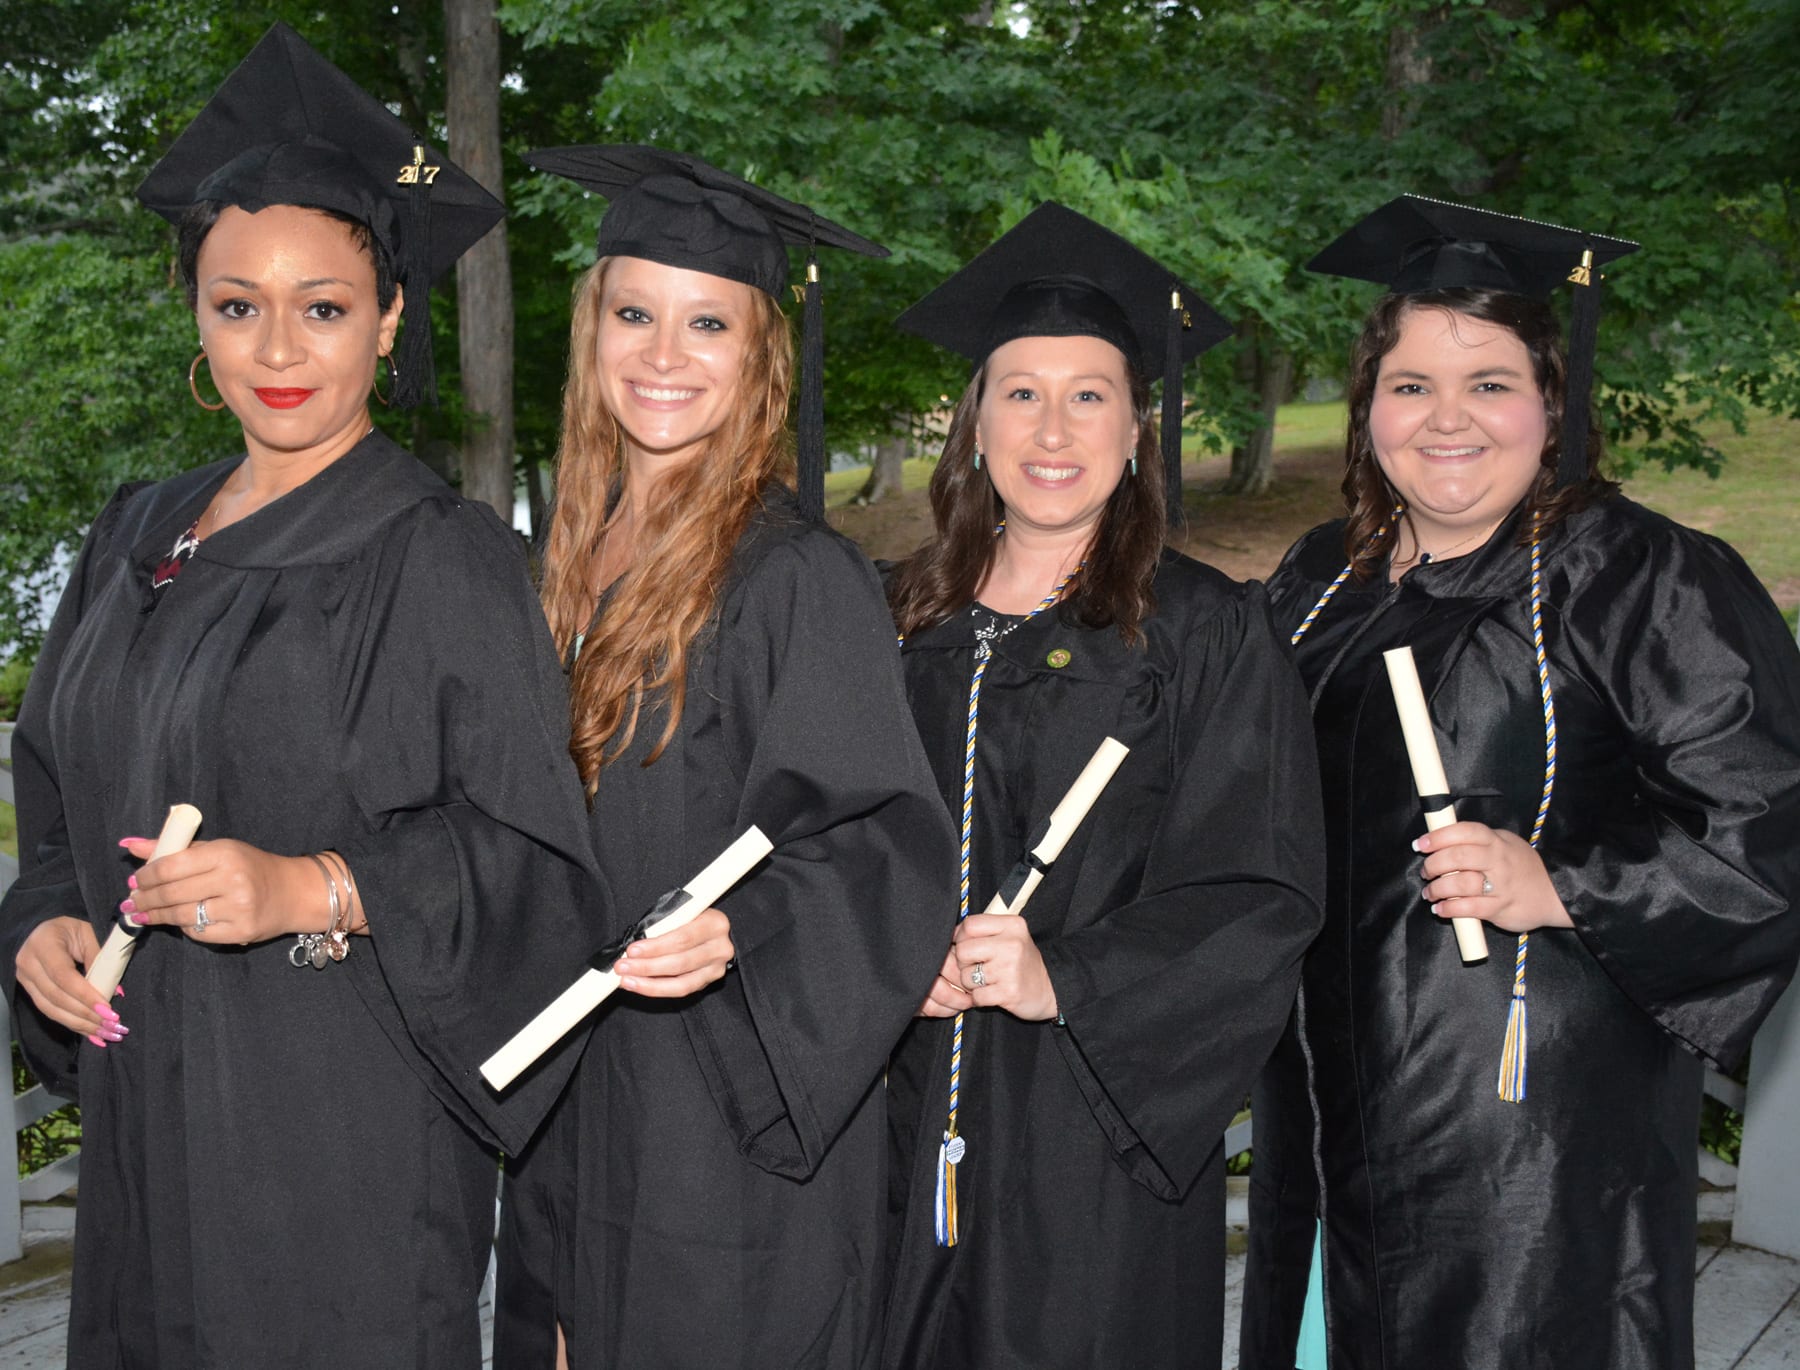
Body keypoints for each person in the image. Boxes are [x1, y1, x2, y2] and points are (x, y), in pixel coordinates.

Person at [0, 25, 607, 1368]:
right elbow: (58, 789)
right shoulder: (135, 534)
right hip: (147, 1122)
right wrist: (40, 922)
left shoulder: (440, 554)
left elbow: (540, 867)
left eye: (324, 305)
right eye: (237, 303)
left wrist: (318, 883)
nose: (279, 346)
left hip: (339, 1137)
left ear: (391, 318)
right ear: (194, 315)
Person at [1240, 196, 1800, 1370]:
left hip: (1529, 1128)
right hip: (1319, 1095)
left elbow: (1771, 819)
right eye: (1410, 384)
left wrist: (1568, 887)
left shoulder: (1639, 574)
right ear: (1368, 407)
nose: (1448, 418)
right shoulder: (1319, 577)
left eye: (1489, 382)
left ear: (1552, 401)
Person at [490, 147, 959, 1369]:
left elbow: (882, 843)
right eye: (635, 313)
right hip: (570, 1092)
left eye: (708, 322)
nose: (662, 352)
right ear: (593, 330)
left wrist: (747, 927)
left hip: (726, 1114)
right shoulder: (552, 568)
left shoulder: (796, 576)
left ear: (761, 357)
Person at [879, 202, 1327, 1370]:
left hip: (1094, 1134)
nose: (1053, 425)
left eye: (1091, 393)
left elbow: (1259, 889)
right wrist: (877, 952)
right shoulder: (883, 616)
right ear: (974, 423)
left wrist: (1064, 973)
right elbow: (811, 845)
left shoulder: (1208, 632)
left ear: (1139, 426)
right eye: (1020, 389)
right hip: (886, 1107)